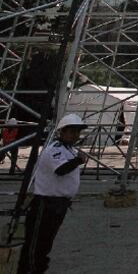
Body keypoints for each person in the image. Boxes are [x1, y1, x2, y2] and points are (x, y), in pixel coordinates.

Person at [19, 114, 89, 274]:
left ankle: (39, 269)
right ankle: (29, 270)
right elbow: (61, 170)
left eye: (77, 132)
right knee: (36, 243)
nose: (76, 135)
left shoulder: (69, 150)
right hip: (46, 203)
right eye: (72, 131)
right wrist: (78, 161)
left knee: (45, 243)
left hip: (59, 204)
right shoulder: (54, 150)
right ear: (61, 132)